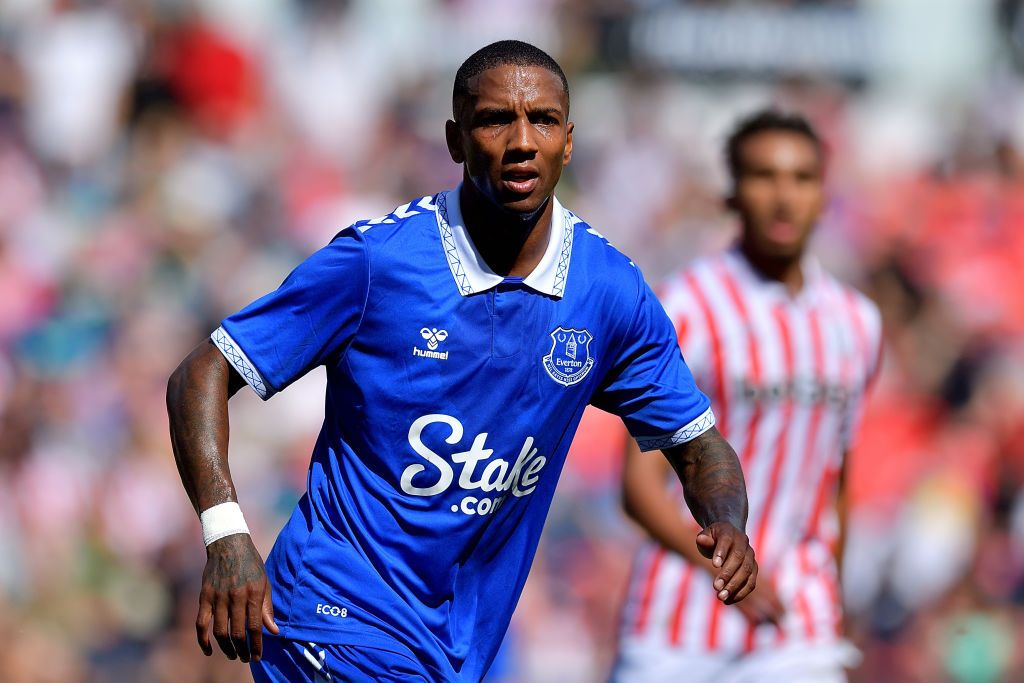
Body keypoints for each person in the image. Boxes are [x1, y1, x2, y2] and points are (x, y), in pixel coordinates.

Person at [166, 40, 756, 683]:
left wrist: (726, 523)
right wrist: (226, 534)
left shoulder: (609, 293)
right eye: (496, 119)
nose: (523, 140)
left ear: (570, 140)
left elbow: (698, 446)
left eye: (544, 120)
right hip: (334, 611)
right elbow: (203, 372)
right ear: (455, 138)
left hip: (453, 645)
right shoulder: (379, 263)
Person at [611, 109, 882, 683]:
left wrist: (834, 601)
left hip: (798, 623)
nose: (784, 196)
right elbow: (639, 489)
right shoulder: (686, 306)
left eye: (802, 178)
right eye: (763, 176)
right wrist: (735, 573)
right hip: (679, 621)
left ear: (823, 194)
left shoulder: (857, 322)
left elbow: (837, 481)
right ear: (731, 194)